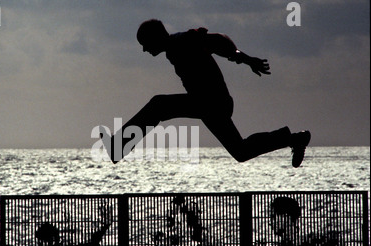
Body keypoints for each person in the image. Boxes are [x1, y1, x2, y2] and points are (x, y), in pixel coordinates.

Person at [100, 19, 310, 167]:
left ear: (154, 38)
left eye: (145, 44)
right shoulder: (174, 48)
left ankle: (119, 146)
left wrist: (246, 59)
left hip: (212, 102)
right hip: (210, 106)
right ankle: (292, 138)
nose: (144, 50)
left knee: (159, 105)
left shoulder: (182, 41)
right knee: (241, 152)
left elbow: (219, 41)